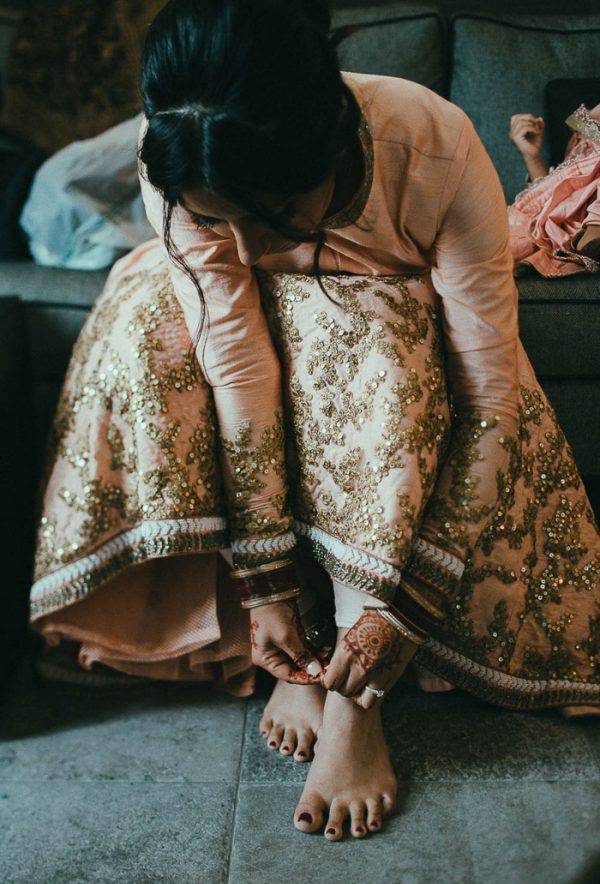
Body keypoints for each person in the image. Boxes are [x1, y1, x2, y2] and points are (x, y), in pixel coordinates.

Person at [30, 0, 600, 841]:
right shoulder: (179, 168)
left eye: (275, 215)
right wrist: (265, 585)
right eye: (223, 219)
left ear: (331, 145)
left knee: (375, 336)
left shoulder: (434, 145)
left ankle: (352, 694)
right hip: (230, 338)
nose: (252, 250)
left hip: (383, 313)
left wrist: (403, 609)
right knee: (149, 322)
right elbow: (237, 358)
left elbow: (487, 394)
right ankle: (288, 642)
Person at [508, 105, 600, 275]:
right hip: (567, 226)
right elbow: (564, 199)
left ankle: (595, 228)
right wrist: (531, 157)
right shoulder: (587, 130)